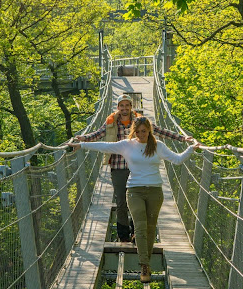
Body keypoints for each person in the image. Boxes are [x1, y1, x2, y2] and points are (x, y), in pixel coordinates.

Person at [70, 116, 199, 282]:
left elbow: (177, 160)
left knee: (151, 228)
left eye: (144, 131)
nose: (141, 134)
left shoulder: (158, 146)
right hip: (134, 190)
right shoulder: (127, 145)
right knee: (140, 226)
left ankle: (146, 257)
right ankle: (144, 265)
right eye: (137, 132)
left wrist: (191, 148)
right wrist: (82, 144)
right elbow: (104, 145)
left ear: (149, 131)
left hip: (155, 191)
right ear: (133, 131)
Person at [74, 94, 193, 242]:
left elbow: (159, 131)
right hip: (118, 166)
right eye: (121, 106)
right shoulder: (111, 122)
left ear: (131, 107)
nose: (124, 108)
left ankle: (136, 232)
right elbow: (99, 135)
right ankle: (123, 235)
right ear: (118, 107)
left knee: (135, 204)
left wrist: (182, 138)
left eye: (127, 105)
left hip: (137, 166)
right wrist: (84, 139)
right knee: (121, 202)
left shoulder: (139, 122)